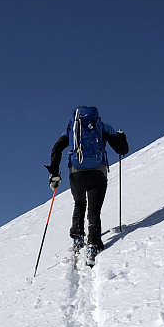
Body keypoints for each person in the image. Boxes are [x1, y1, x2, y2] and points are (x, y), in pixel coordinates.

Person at [46, 106, 129, 251]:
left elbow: (57, 148)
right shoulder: (103, 127)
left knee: (79, 203)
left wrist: (54, 173)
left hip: (76, 173)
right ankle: (94, 243)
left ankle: (77, 237)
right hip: (98, 172)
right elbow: (122, 150)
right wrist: (121, 137)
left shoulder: (72, 129)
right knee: (94, 209)